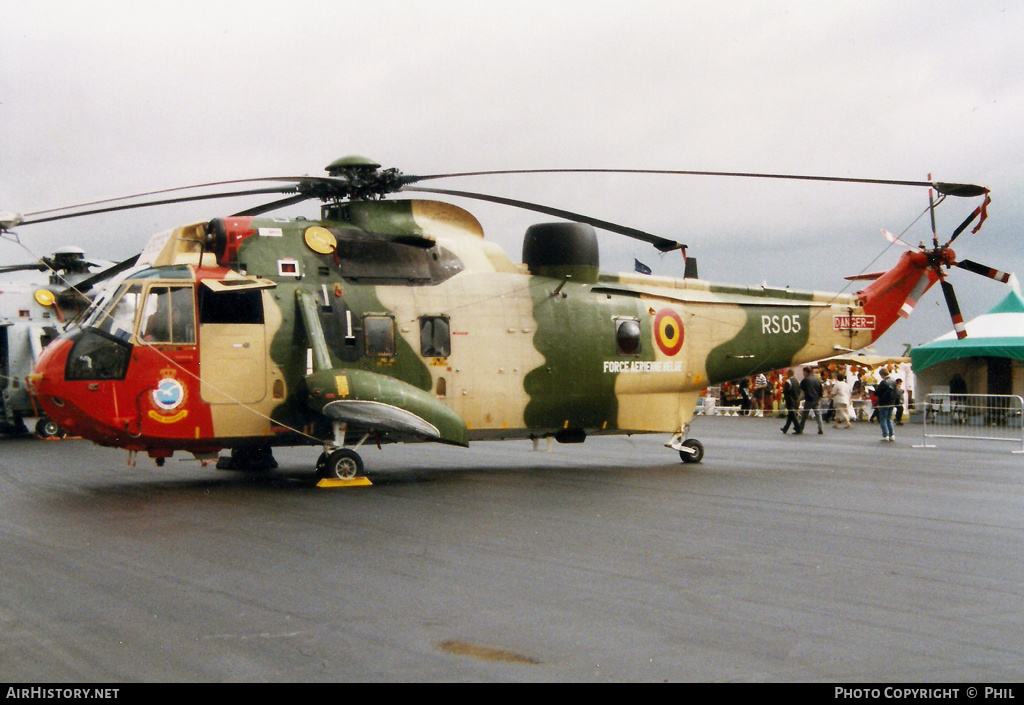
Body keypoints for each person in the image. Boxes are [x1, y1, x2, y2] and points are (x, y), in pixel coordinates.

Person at [798, 366, 824, 435]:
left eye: (803, 372)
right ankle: (820, 428)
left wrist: (800, 398)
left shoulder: (805, 380)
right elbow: (821, 390)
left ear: (806, 372)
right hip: (816, 399)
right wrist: (819, 397)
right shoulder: (816, 380)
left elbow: (801, 390)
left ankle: (800, 428)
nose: (803, 373)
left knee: (805, 415)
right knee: (818, 414)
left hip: (809, 399)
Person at [875, 368, 897, 441]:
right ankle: (892, 434)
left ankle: (885, 435)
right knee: (889, 419)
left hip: (884, 402)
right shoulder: (893, 381)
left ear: (882, 374)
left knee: (883, 419)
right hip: (891, 402)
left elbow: (878, 392)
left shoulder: (883, 382)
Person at [780, 368, 802, 434]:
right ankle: (785, 428)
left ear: (789, 374)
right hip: (796, 399)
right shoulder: (797, 381)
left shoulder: (788, 381)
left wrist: (784, 397)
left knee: (792, 415)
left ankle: (798, 428)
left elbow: (785, 391)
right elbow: (799, 391)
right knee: (790, 415)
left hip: (790, 400)